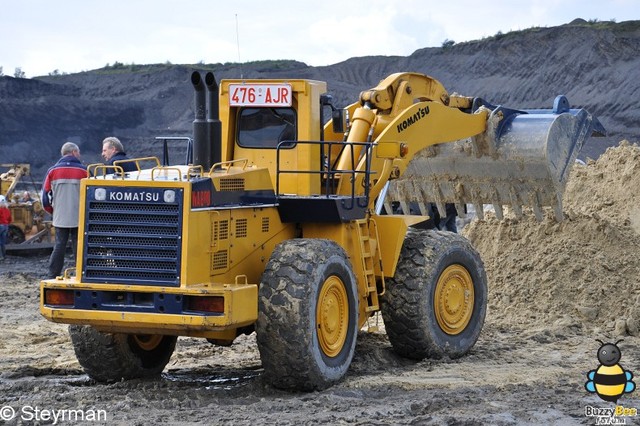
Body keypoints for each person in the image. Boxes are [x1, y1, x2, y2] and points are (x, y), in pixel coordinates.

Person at [42, 142, 87, 278]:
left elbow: (45, 197)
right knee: (78, 247)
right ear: (73, 152)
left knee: (59, 246)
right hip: (79, 216)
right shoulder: (84, 171)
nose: (79, 155)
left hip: (60, 217)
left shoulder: (52, 171)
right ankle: (81, 274)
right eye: (78, 152)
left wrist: (54, 212)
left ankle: (52, 274)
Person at [0, 195, 11, 260]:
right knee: (2, 242)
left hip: (0, 225)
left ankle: (0, 256)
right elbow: (10, 219)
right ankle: (3, 256)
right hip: (6, 226)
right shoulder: (7, 209)